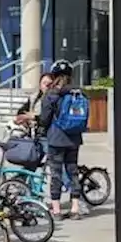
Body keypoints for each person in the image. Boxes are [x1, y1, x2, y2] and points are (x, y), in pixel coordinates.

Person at [39, 60, 85, 219]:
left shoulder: (51, 94)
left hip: (56, 139)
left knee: (56, 173)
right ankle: (75, 208)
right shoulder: (79, 93)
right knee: (73, 172)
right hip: (74, 139)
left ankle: (57, 210)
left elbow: (44, 119)